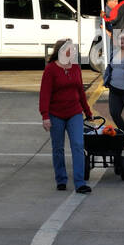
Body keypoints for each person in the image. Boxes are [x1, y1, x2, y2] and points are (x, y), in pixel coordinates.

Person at [39, 39, 94, 193]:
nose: (73, 52)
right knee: (58, 148)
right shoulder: (51, 69)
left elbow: (81, 92)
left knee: (78, 145)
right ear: (62, 51)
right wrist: (45, 116)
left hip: (74, 113)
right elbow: (45, 94)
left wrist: (88, 112)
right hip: (55, 114)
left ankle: (80, 182)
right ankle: (61, 179)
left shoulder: (76, 68)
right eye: (71, 49)